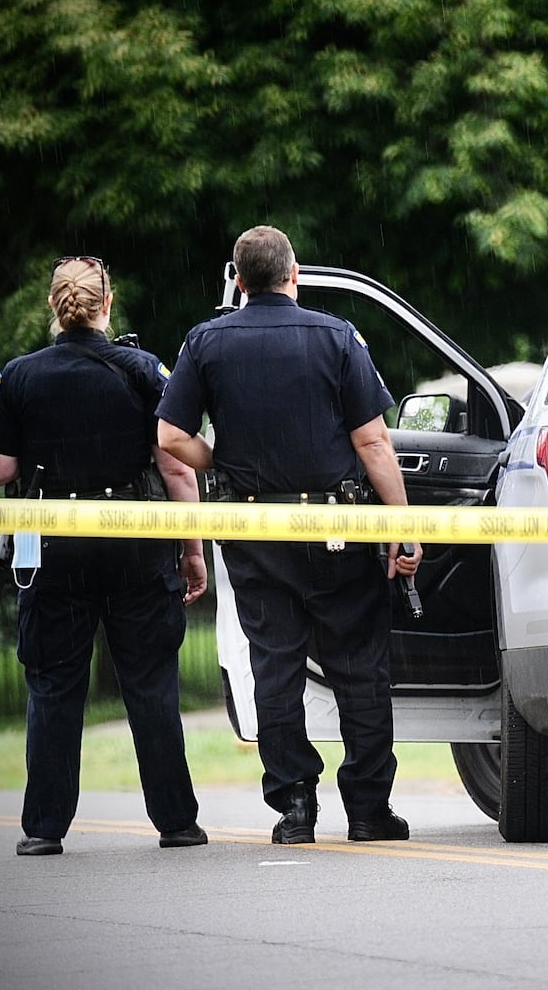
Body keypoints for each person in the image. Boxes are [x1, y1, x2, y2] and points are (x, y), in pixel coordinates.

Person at [156, 225, 422, 845]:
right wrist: (403, 525)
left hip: (253, 528)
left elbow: (169, 437)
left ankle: (295, 806)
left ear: (240, 280)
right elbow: (373, 441)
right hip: (337, 526)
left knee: (274, 666)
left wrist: (220, 462)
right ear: (293, 274)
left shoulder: (206, 341)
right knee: (359, 666)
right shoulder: (336, 337)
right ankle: (368, 808)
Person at [0, 255, 208, 857]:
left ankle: (44, 828)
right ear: (107, 306)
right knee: (151, 683)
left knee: (54, 685)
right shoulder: (144, 369)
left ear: (53, 308)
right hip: (136, 543)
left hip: (54, 547)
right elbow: (178, 468)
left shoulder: (18, 376)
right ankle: (176, 821)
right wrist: (193, 551)